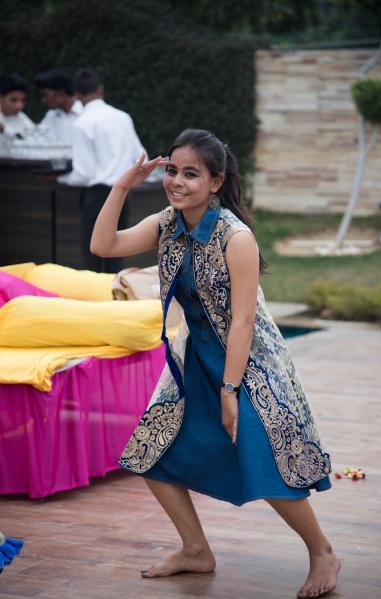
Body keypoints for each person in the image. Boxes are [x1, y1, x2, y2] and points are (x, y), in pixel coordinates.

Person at [90, 129, 341, 598]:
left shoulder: (236, 237)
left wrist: (230, 391)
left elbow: (243, 322)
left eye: (191, 174)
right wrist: (123, 186)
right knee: (149, 453)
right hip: (194, 359)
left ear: (216, 182)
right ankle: (195, 550)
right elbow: (104, 246)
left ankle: (322, 551)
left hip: (250, 366)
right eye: (172, 171)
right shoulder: (167, 223)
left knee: (264, 457)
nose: (176, 181)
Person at [58, 68, 148, 272]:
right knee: (118, 250)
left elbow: (83, 174)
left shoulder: (81, 123)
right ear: (101, 90)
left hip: (98, 195)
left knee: (93, 254)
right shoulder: (123, 117)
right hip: (123, 192)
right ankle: (116, 290)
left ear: (77, 95)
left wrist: (60, 179)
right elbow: (141, 157)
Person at [35, 68, 83, 142]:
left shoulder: (85, 113)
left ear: (61, 92)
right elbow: (38, 139)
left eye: (45, 95)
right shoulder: (51, 116)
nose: (43, 100)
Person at [0, 73, 34, 155]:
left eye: (23, 101)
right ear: (1, 98)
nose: (19, 106)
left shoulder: (24, 120)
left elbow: (32, 146)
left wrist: (4, 130)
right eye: (13, 100)